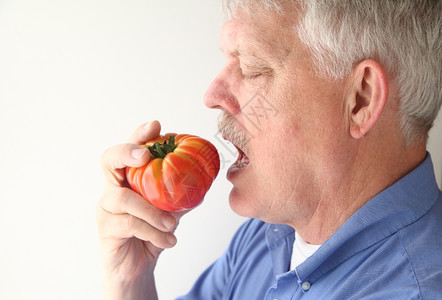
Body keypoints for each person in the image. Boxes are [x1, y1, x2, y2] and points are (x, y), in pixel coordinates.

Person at [97, 0, 442, 299]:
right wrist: (130, 281)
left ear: (360, 100)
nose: (212, 95)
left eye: (252, 67)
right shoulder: (266, 237)